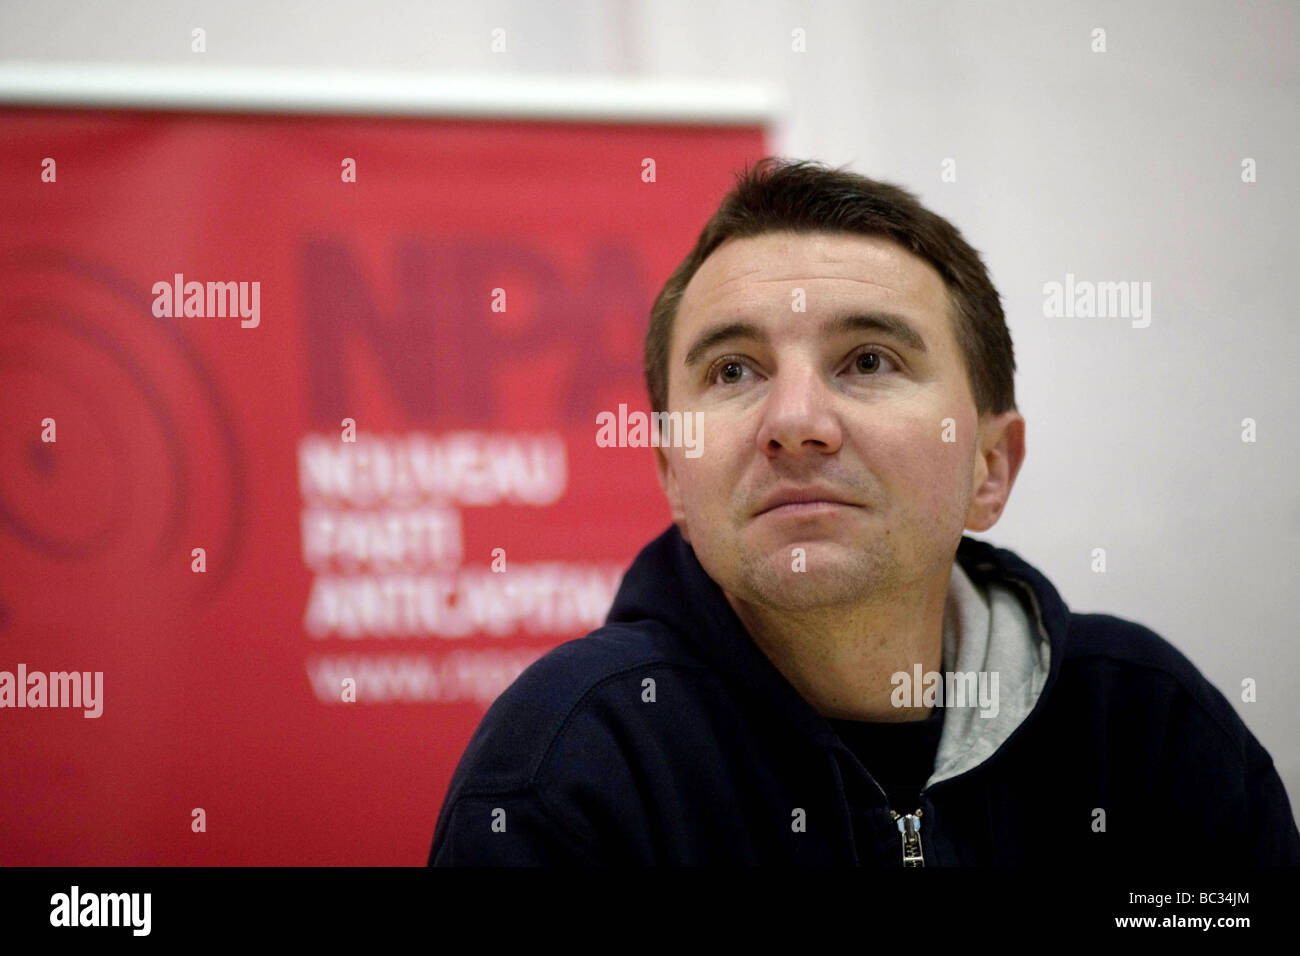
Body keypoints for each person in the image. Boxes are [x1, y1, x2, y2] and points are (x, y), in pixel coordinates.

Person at [427, 158, 1300, 865]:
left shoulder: (1148, 731)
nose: (797, 424)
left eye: (869, 359)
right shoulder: (570, 766)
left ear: (990, 467)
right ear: (673, 482)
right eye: (733, 371)